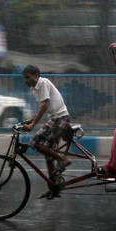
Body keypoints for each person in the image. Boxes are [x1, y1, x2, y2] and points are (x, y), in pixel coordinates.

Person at [22, 65, 72, 196]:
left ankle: (63, 159)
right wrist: (30, 120)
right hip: (54, 118)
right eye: (24, 78)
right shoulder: (35, 88)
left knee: (35, 142)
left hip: (61, 118)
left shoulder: (43, 82)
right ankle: (53, 187)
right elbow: (43, 108)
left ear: (36, 75)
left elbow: (44, 105)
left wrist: (33, 124)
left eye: (28, 77)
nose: (26, 81)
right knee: (48, 154)